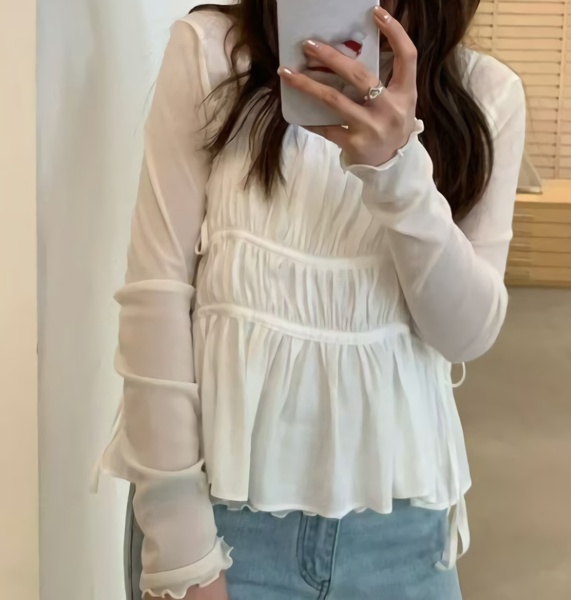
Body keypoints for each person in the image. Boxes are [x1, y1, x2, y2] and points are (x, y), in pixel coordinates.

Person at [97, 0, 526, 598]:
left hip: (401, 534)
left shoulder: (485, 93)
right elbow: (157, 299)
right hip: (222, 530)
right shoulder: (214, 53)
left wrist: (398, 173)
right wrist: (181, 550)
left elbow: (464, 335)